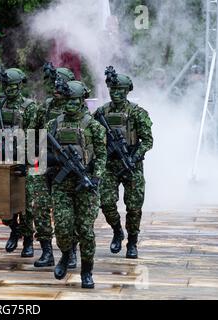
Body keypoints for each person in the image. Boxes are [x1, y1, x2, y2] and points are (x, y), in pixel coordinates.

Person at [46, 79, 106, 289]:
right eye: (67, 100)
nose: (69, 104)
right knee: (62, 228)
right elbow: (42, 150)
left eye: (74, 100)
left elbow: (101, 156)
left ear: (82, 100)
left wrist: (96, 177)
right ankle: (65, 255)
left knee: (85, 231)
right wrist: (53, 163)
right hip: (62, 184)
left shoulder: (94, 126)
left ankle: (87, 271)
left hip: (86, 185)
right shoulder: (54, 124)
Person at [94, 67, 153, 259]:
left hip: (131, 165)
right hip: (110, 166)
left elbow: (148, 140)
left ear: (127, 91)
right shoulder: (101, 113)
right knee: (107, 202)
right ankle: (117, 231)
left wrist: (135, 157)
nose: (116, 93)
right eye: (113, 89)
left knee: (134, 207)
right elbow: (93, 137)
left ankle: (132, 242)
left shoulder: (137, 113)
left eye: (120, 89)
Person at [0, 68, 37, 257]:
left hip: (22, 160)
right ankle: (14, 229)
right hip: (1, 160)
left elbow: (34, 135)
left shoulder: (29, 107)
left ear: (20, 85)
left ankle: (28, 240)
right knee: (2, 204)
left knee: (26, 205)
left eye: (12, 85)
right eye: (6, 86)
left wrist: (26, 161)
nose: (9, 89)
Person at [26, 65, 77, 269]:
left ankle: (70, 251)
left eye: (61, 83)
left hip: (68, 168)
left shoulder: (76, 111)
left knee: (66, 213)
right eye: (55, 83)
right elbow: (32, 132)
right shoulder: (46, 107)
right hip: (45, 165)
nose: (56, 87)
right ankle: (46, 251)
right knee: (39, 207)